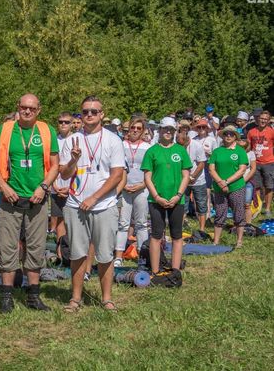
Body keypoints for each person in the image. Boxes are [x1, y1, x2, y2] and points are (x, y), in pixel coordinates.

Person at [0, 93, 59, 313]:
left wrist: (43, 187)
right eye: (24, 107)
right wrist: (3, 186)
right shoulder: (6, 129)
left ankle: (33, 296)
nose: (27, 111)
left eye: (32, 108)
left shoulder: (47, 130)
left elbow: (55, 164)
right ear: (18, 107)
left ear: (39, 110)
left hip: (37, 199)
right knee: (8, 247)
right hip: (10, 198)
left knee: (36, 247)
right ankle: (6, 297)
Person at [60, 95, 125, 312]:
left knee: (105, 255)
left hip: (104, 205)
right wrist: (73, 159)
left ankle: (106, 299)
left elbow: (117, 175)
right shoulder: (72, 140)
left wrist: (94, 197)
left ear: (102, 114)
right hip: (75, 204)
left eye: (94, 111)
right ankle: (75, 298)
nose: (89, 115)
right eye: (85, 111)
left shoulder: (113, 140)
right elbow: (64, 173)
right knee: (77, 254)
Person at [141, 117, 191, 286]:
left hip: (177, 199)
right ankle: (155, 272)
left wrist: (178, 195)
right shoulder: (152, 151)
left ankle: (175, 271)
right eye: (165, 129)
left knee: (177, 235)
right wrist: (157, 197)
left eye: (171, 129)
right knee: (156, 235)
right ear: (160, 130)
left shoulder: (181, 150)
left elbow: (186, 176)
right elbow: (147, 177)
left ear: (175, 131)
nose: (168, 132)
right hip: (156, 200)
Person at [115, 117, 151, 268]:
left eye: (138, 128)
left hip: (142, 189)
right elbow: (116, 168)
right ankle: (118, 256)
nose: (135, 130)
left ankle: (142, 257)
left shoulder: (148, 147)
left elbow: (152, 171)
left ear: (143, 131)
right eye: (133, 127)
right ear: (128, 129)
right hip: (124, 189)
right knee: (123, 224)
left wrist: (142, 185)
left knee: (141, 224)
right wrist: (122, 185)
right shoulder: (120, 145)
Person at [209, 125, 248, 247]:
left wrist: (226, 182)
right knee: (220, 213)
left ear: (235, 136)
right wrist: (220, 182)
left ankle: (239, 241)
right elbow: (211, 169)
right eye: (226, 134)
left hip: (236, 186)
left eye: (231, 134)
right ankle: (216, 241)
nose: (228, 136)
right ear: (223, 136)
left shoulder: (240, 151)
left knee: (238, 213)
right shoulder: (217, 151)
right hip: (219, 187)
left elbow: (242, 170)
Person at [50, 112, 73, 254]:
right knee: (59, 220)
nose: (63, 124)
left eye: (66, 122)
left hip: (73, 187)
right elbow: (49, 164)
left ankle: (72, 251)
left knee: (73, 221)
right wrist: (53, 184)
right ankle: (60, 253)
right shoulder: (53, 140)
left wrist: (70, 187)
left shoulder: (77, 139)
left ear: (72, 124)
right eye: (60, 122)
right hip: (56, 186)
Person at [176, 132, 208, 233]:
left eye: (182, 144)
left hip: (198, 181)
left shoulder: (197, 145)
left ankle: (202, 230)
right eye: (178, 144)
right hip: (183, 181)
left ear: (187, 139)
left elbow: (201, 164)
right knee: (182, 205)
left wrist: (192, 176)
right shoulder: (177, 146)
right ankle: (179, 229)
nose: (181, 146)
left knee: (201, 205)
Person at [247, 110, 274, 216]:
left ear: (268, 121)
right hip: (255, 162)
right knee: (256, 186)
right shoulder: (251, 131)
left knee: (269, 186)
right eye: (262, 118)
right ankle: (257, 207)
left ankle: (267, 208)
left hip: (269, 162)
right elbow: (248, 146)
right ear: (258, 119)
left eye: (265, 119)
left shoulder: (271, 131)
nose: (263, 121)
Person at [238, 136, 257, 224]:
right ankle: (238, 223)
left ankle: (248, 224)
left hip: (247, 181)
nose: (242, 141)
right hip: (235, 182)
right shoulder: (234, 152)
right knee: (237, 204)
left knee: (247, 204)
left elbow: (253, 168)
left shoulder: (251, 153)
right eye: (240, 139)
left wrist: (245, 180)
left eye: (243, 139)